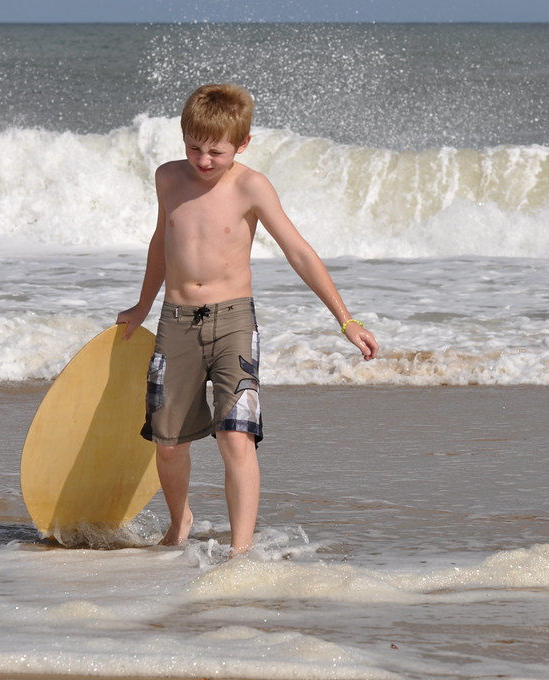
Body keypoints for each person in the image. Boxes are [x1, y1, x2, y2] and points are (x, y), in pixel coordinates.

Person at [115, 83, 379, 556]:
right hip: (176, 321)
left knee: (236, 437)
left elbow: (298, 251)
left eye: (216, 151)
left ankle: (239, 551)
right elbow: (162, 243)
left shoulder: (250, 186)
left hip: (233, 323)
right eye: (194, 147)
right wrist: (141, 305)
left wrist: (346, 320)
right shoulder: (167, 178)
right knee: (169, 443)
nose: (203, 160)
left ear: (243, 144)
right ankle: (180, 523)